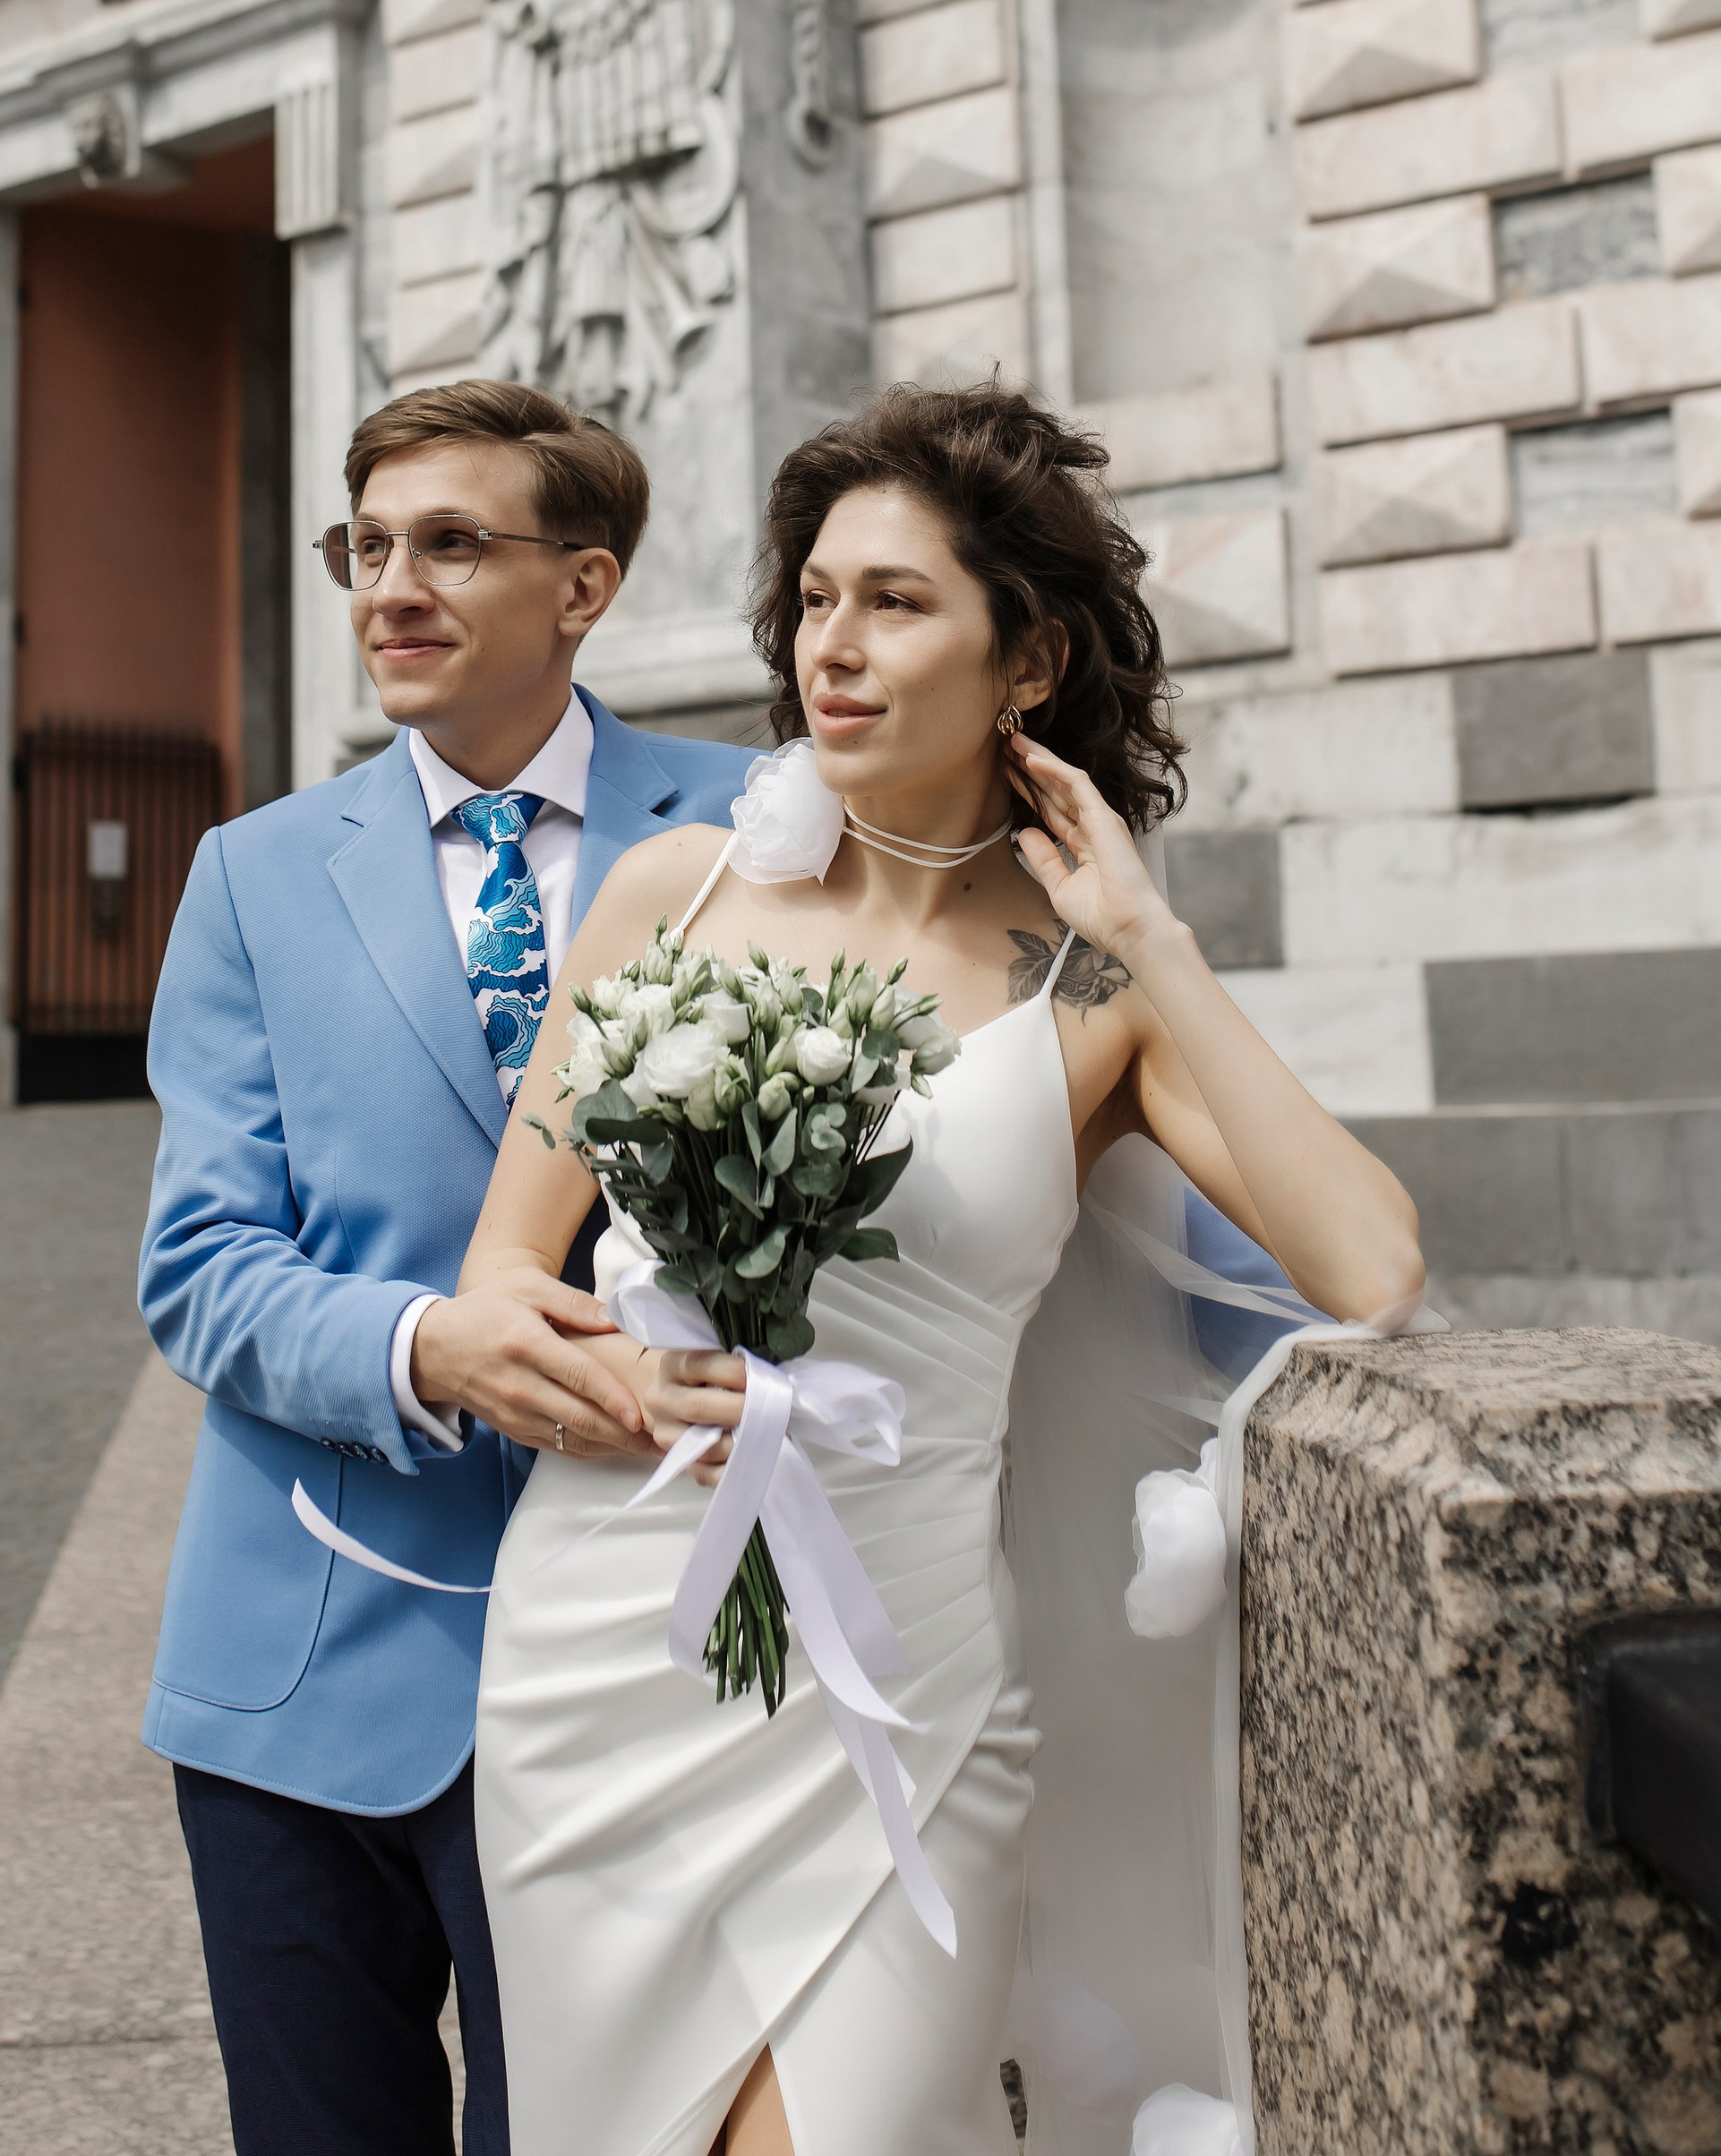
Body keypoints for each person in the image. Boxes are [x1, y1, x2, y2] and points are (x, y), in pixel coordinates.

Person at [457, 382, 1427, 2156]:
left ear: (1027, 659)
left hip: (911, 1692)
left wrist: (1147, 934)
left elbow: (1369, 1266)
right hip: (606, 1650)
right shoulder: (663, 897)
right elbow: (501, 1283)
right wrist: (606, 1374)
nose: (830, 645)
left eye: (894, 603)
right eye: (814, 600)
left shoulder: (1093, 1000)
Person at [136, 379, 754, 2156]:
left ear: (584, 586)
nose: (390, 586)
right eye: (370, 545)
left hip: (652, 1656)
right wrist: (428, 1347)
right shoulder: (251, 876)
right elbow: (198, 1268)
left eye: (451, 544)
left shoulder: (757, 830)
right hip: (301, 1668)